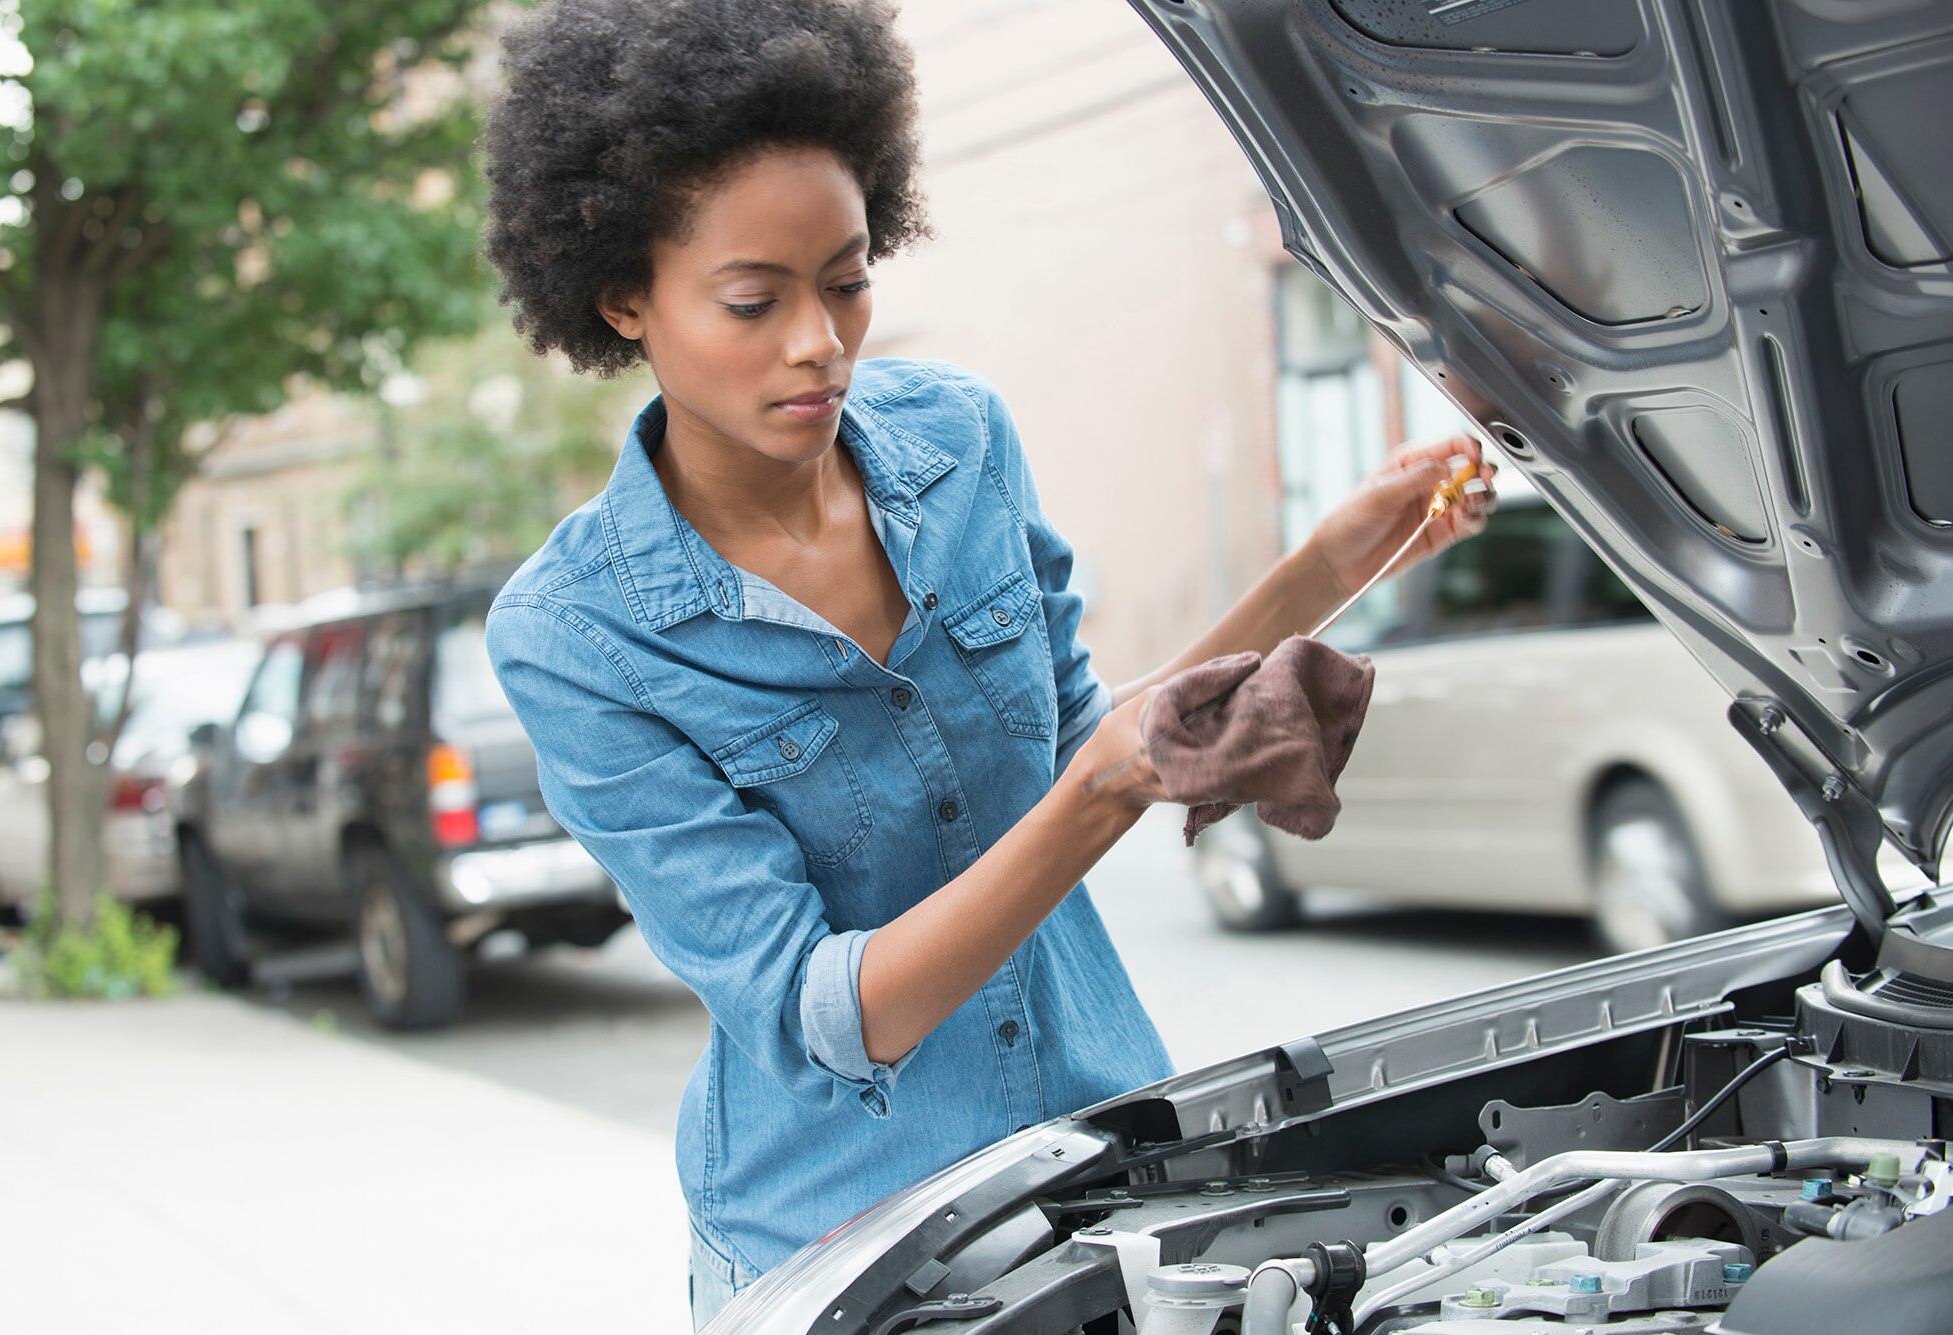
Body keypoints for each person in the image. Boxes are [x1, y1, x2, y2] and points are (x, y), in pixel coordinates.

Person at [478, 1, 1494, 1326]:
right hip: (842, 1246)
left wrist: (1332, 563)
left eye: (846, 279)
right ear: (624, 296)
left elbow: (1091, 743)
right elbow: (825, 1015)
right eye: (753, 298)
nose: (818, 341)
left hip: (1104, 1165)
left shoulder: (959, 437)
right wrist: (1100, 794)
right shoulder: (574, 635)